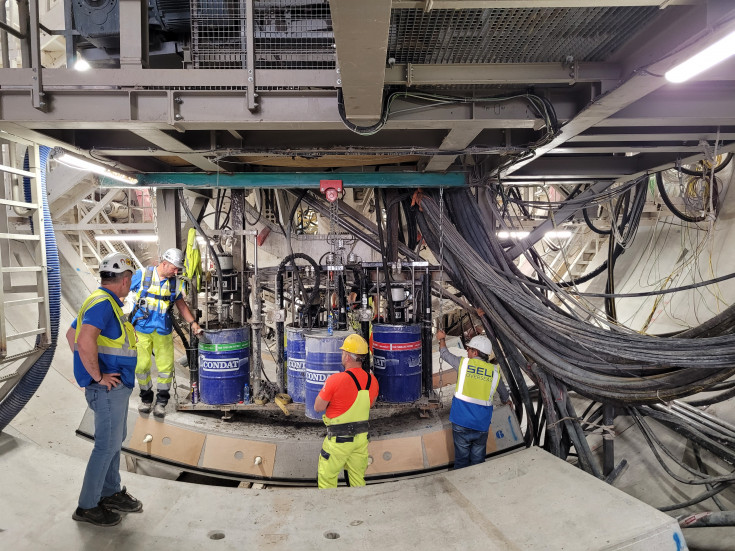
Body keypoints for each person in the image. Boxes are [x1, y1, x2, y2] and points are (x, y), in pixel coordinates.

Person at [66, 252, 142, 527]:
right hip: (108, 388)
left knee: (115, 438)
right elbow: (83, 341)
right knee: (106, 445)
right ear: (124, 279)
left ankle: (110, 491)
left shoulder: (101, 300)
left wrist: (89, 368)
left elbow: (70, 336)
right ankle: (87, 506)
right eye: (130, 280)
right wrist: (96, 376)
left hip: (114, 388)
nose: (130, 284)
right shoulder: (103, 305)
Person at [130, 247, 202, 417]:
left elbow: (181, 305)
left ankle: (161, 401)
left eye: (178, 269)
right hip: (140, 329)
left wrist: (193, 323)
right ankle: (146, 398)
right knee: (141, 366)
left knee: (166, 367)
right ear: (164, 263)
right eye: (174, 268)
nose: (176, 272)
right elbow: (122, 292)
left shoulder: (174, 283)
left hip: (162, 329)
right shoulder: (142, 275)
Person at [435, 329, 512, 469]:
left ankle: (463, 484)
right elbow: (504, 394)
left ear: (475, 352)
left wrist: (441, 339)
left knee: (461, 460)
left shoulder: (463, 364)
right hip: (481, 425)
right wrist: (506, 401)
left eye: (469, 349)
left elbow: (444, 354)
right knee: (478, 461)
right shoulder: (494, 371)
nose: (467, 351)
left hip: (461, 422)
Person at [314, 334, 378, 489]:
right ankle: (359, 511)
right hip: (361, 440)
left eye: (343, 353)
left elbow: (318, 407)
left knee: (327, 479)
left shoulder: (336, 380)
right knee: (357, 480)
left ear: (348, 357)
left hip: (339, 441)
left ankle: (331, 511)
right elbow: (369, 404)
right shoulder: (372, 380)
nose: (342, 356)